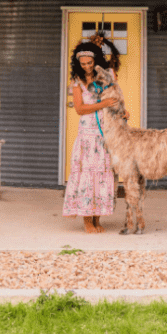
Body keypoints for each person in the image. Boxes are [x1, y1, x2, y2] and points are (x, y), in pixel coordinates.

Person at [62, 37, 124, 234]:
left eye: (90, 63)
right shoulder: (77, 81)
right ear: (78, 64)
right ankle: (87, 221)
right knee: (87, 175)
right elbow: (80, 109)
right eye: (83, 64)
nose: (87, 67)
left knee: (103, 175)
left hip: (106, 133)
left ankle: (97, 219)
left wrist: (122, 111)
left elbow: (116, 98)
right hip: (88, 136)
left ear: (96, 61)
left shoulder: (107, 75)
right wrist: (103, 104)